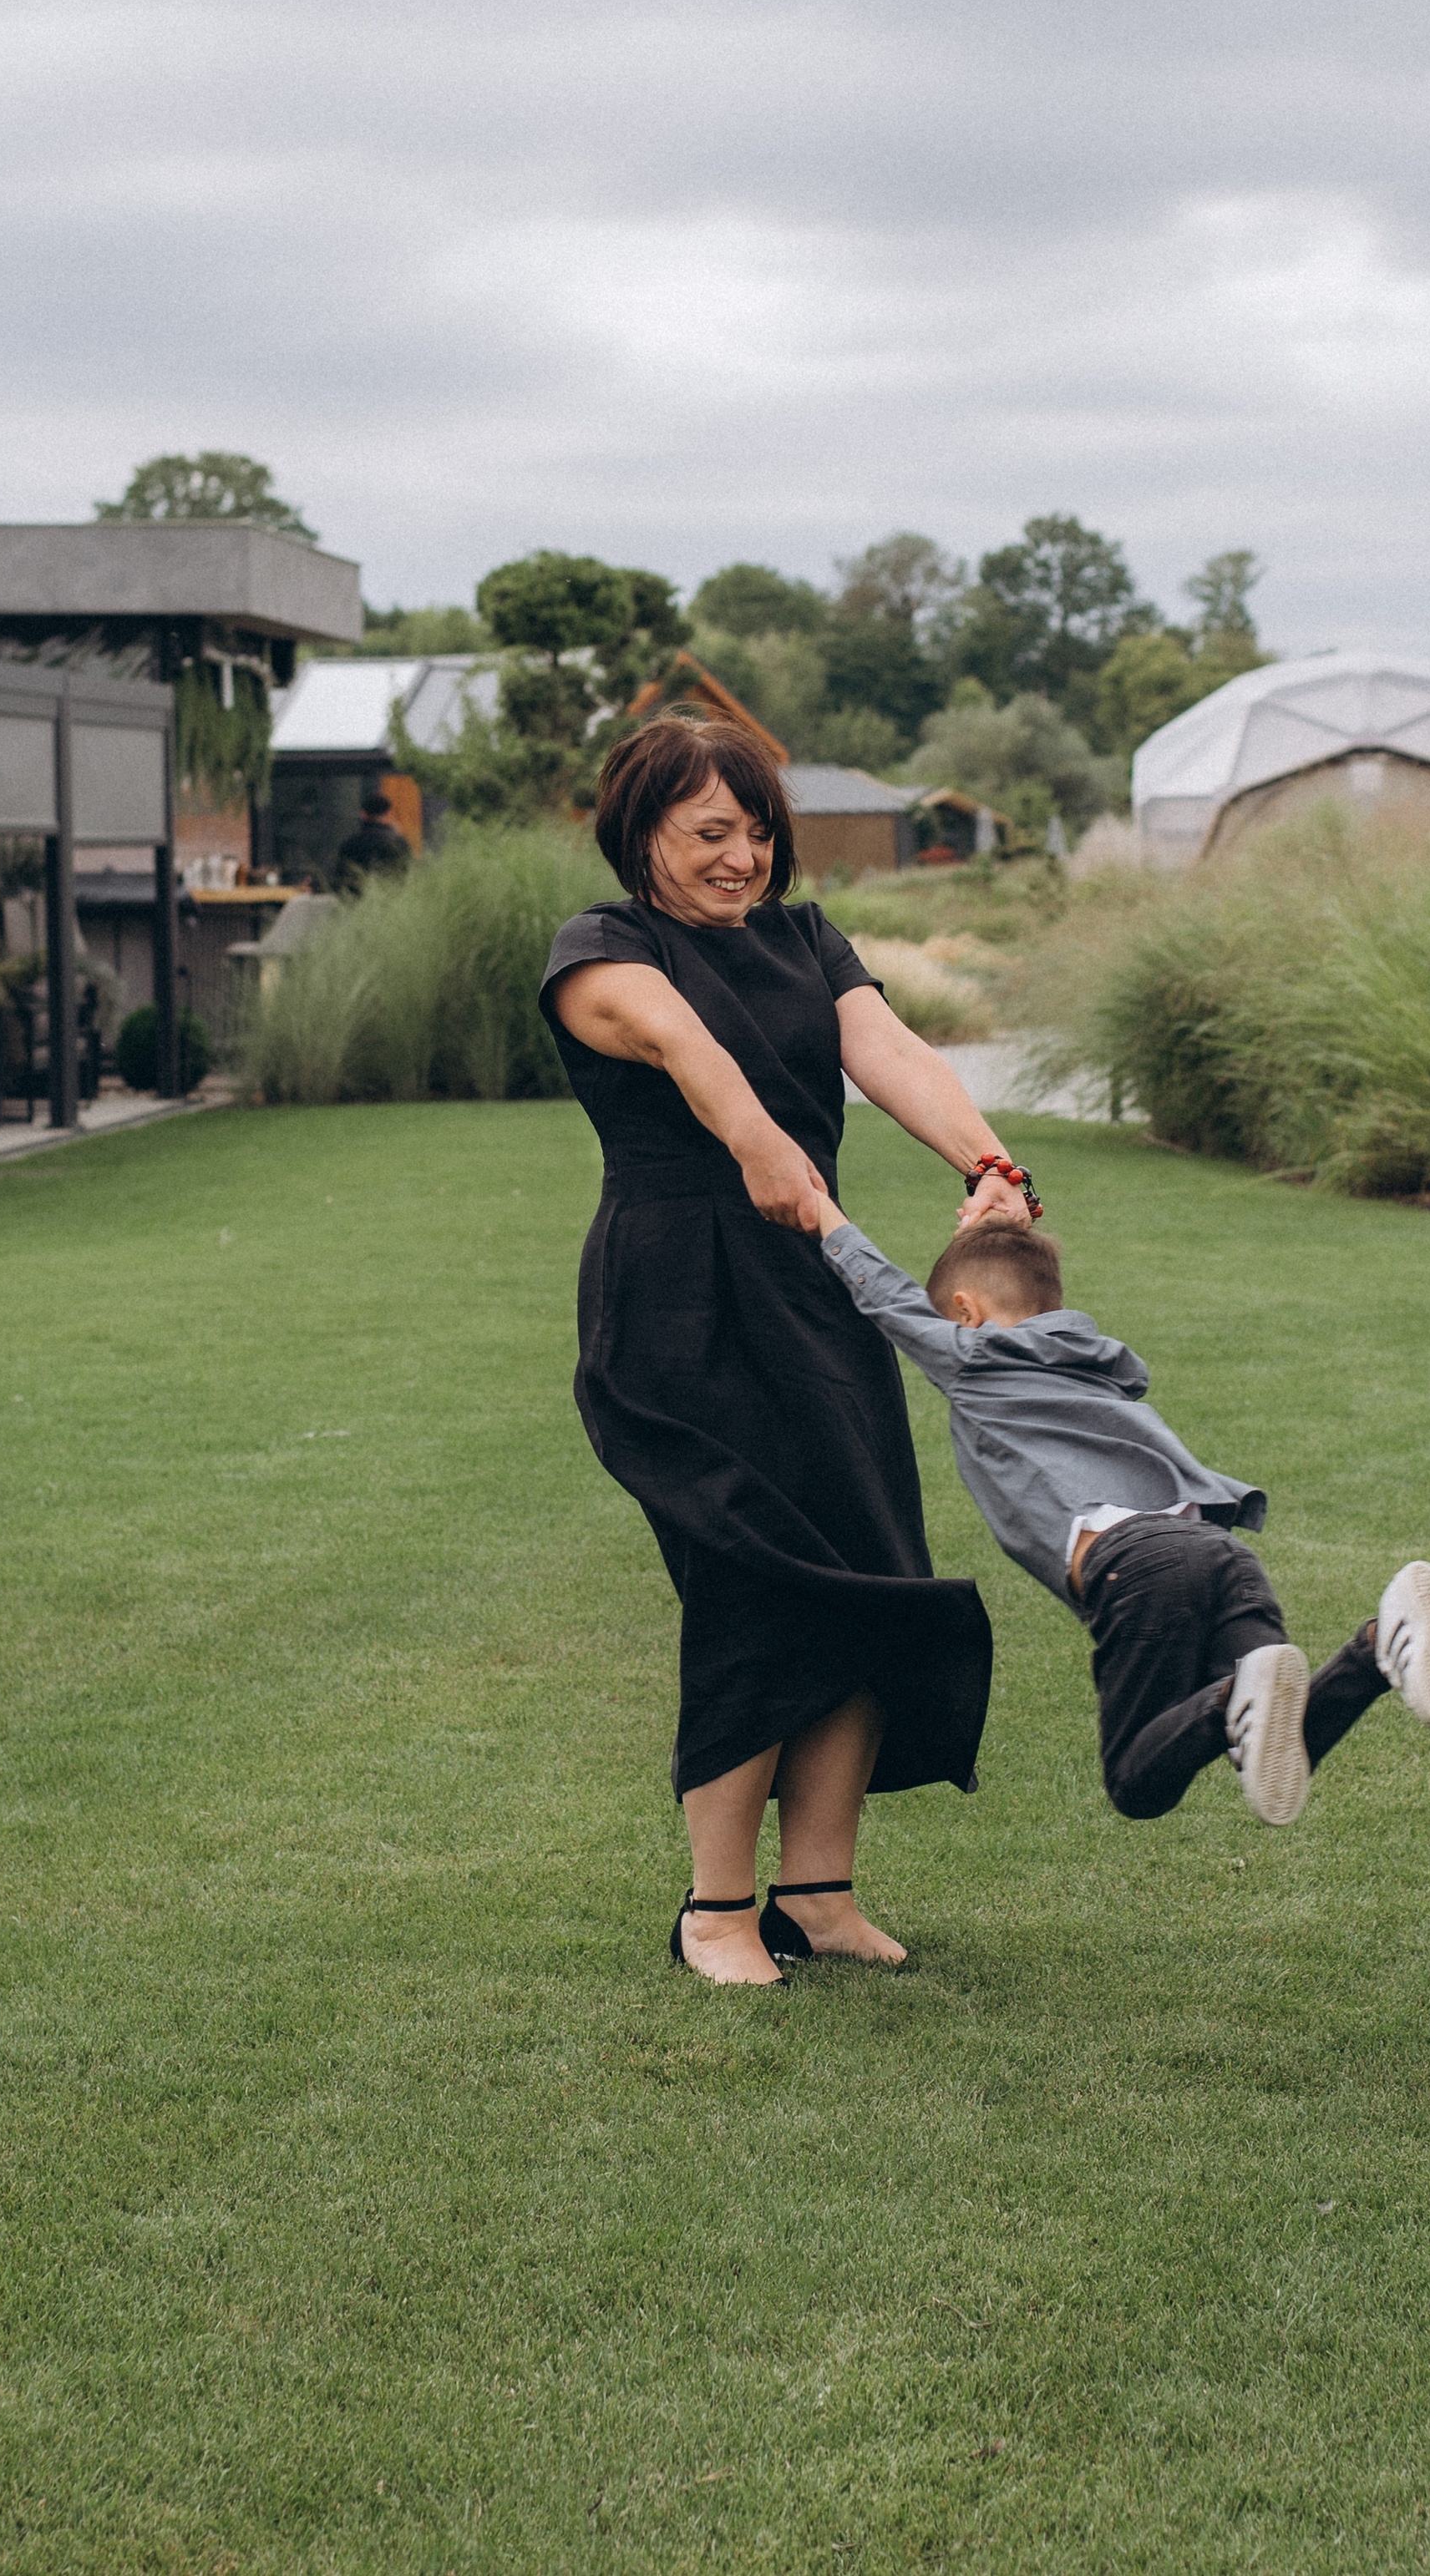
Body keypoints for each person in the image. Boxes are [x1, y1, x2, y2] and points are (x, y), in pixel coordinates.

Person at [542, 714, 1039, 1990]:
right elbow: (680, 1044)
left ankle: (818, 1895)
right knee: (752, 1581)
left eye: (759, 831)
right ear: (640, 831)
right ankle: (715, 1913)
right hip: (675, 1300)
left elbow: (890, 1053)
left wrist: (986, 1165)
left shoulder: (808, 941)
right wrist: (766, 1149)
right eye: (711, 831)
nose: (743, 856)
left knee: (868, 1570)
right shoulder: (602, 950)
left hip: (816, 1287)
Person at [811, 1207, 1430, 1829]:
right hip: (1220, 1555)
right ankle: (1375, 1646)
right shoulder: (1090, 1363)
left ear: (965, 1312)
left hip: (1138, 1566)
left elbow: (889, 1300)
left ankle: (1233, 1694)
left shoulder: (977, 1356)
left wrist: (826, 1221)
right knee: (1279, 1744)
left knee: (1137, 1784)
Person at [337, 787, 413, 889]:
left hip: (359, 900)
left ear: (363, 814)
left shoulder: (351, 843)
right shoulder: (398, 843)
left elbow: (341, 878)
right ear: (389, 813)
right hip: (390, 898)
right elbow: (406, 875)